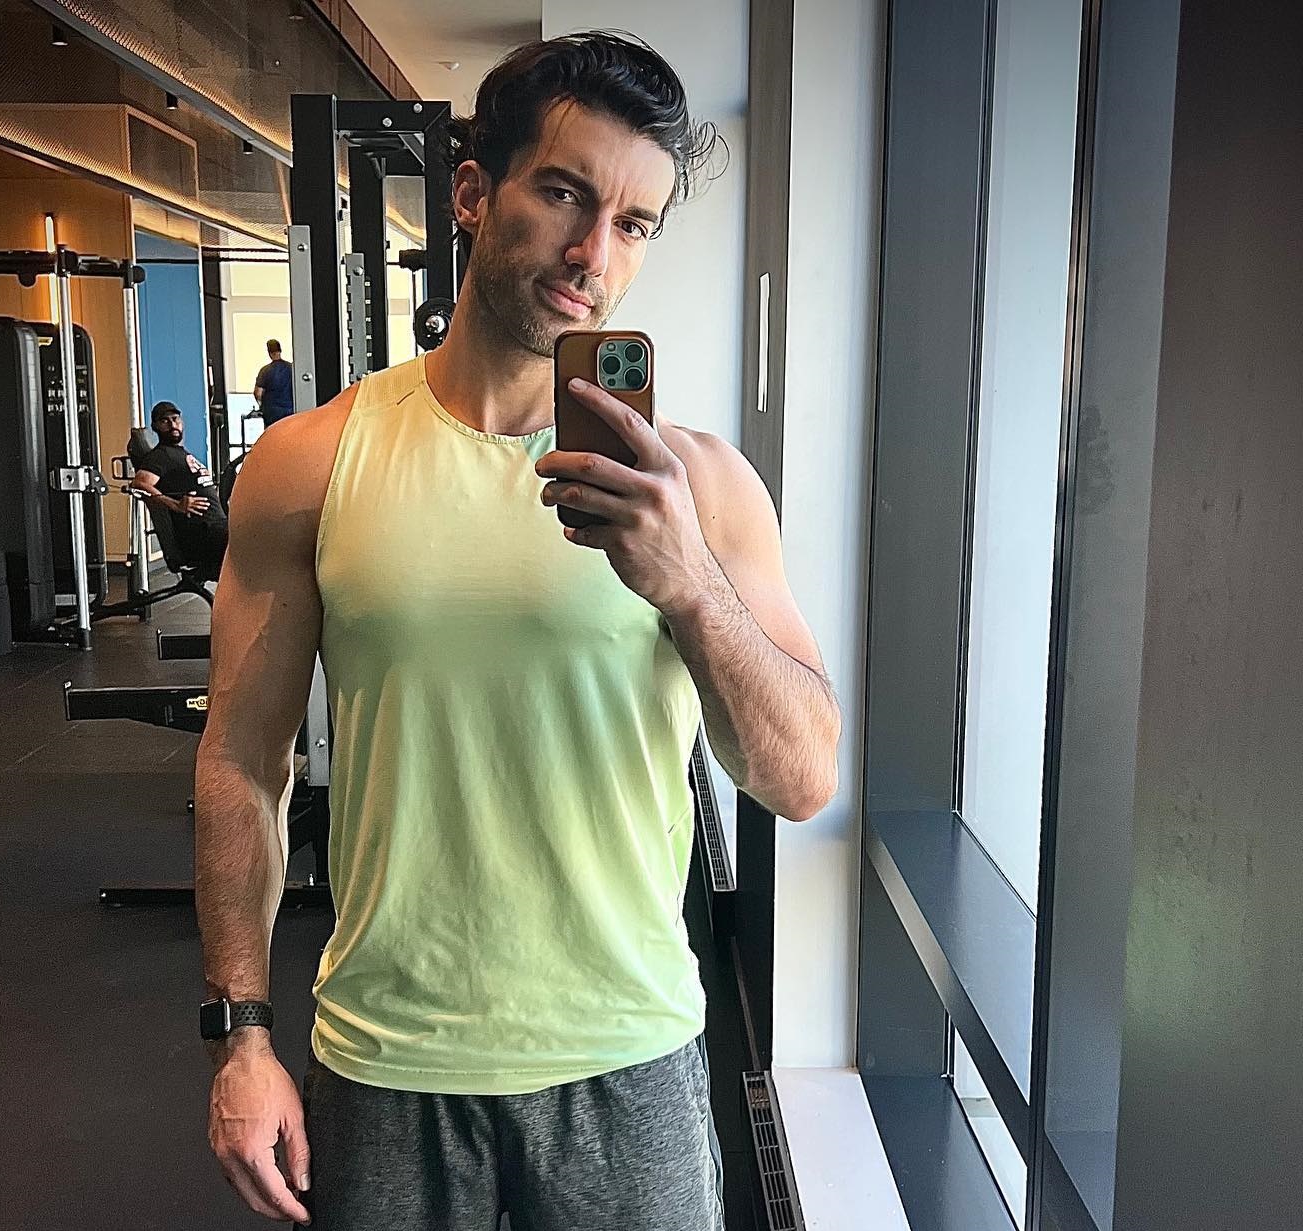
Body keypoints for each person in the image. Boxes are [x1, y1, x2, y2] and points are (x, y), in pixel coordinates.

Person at [195, 31, 841, 1231]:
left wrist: (689, 585)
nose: (595, 253)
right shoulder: (310, 463)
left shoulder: (699, 487)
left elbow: (800, 779)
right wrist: (243, 1032)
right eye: (564, 194)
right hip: (387, 1057)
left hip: (629, 1056)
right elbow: (242, 762)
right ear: (473, 193)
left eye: (634, 224)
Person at [130, 401, 228, 572]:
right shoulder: (160, 456)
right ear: (155, 427)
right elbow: (139, 484)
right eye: (164, 421)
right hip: (204, 535)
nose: (172, 425)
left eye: (175, 419)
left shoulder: (181, 453)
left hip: (218, 528)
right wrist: (176, 505)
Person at [252, 339, 294, 427]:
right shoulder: (291, 368)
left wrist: (261, 405)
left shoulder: (265, 371)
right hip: (290, 410)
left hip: (271, 413)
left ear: (269, 353)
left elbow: (258, 393)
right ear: (280, 351)